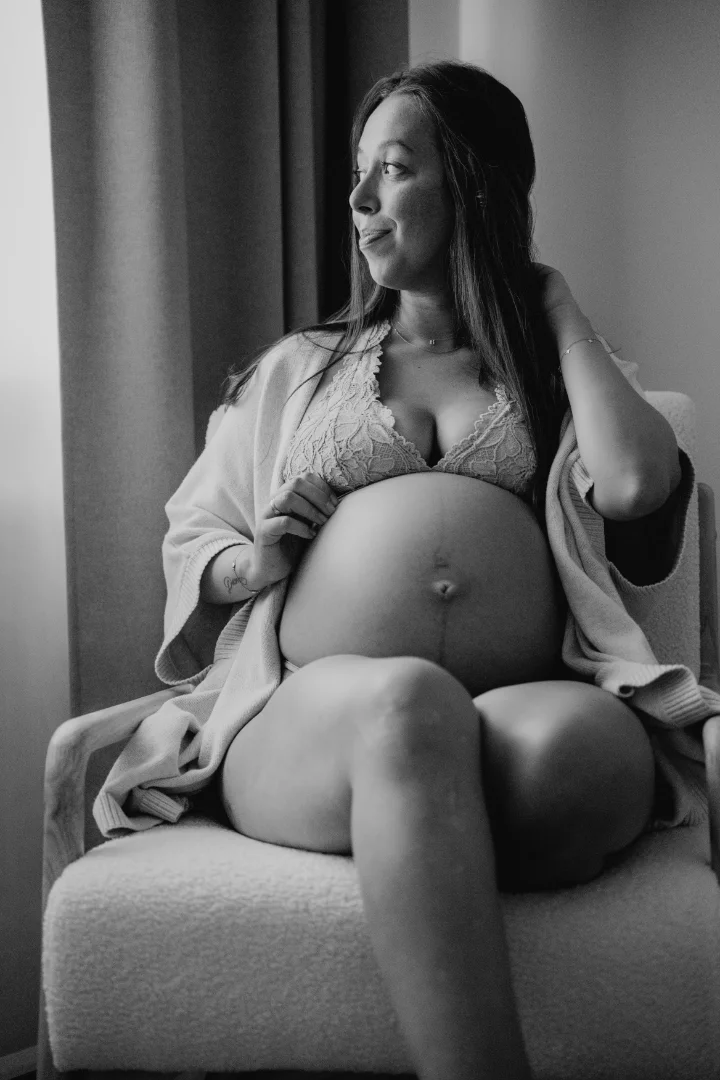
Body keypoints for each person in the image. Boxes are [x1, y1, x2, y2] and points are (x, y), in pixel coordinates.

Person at [175, 61, 687, 1080]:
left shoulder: (561, 375)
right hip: (314, 714)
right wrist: (252, 560)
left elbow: (634, 487)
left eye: (395, 169)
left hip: (522, 699)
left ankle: (420, 820)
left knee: (579, 760)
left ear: (476, 185)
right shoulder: (298, 371)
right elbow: (193, 538)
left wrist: (553, 304)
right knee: (409, 705)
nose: (360, 199)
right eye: (358, 173)